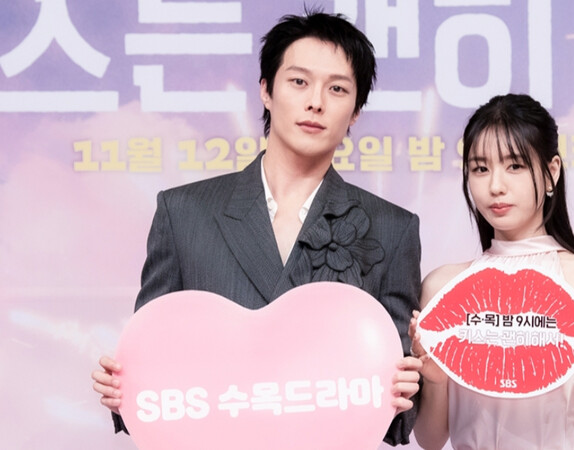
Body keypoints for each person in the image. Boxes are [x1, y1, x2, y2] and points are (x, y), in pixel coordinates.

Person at [91, 9, 422, 446]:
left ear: (356, 111)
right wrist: (123, 389)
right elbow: (153, 356)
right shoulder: (184, 213)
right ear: (266, 90)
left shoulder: (392, 229)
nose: (316, 102)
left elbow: (396, 407)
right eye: (299, 81)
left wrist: (408, 389)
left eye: (337, 89)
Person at [409, 94, 574, 449]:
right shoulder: (442, 286)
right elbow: (430, 439)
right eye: (480, 169)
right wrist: (435, 380)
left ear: (552, 172)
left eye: (514, 165)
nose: (495, 186)